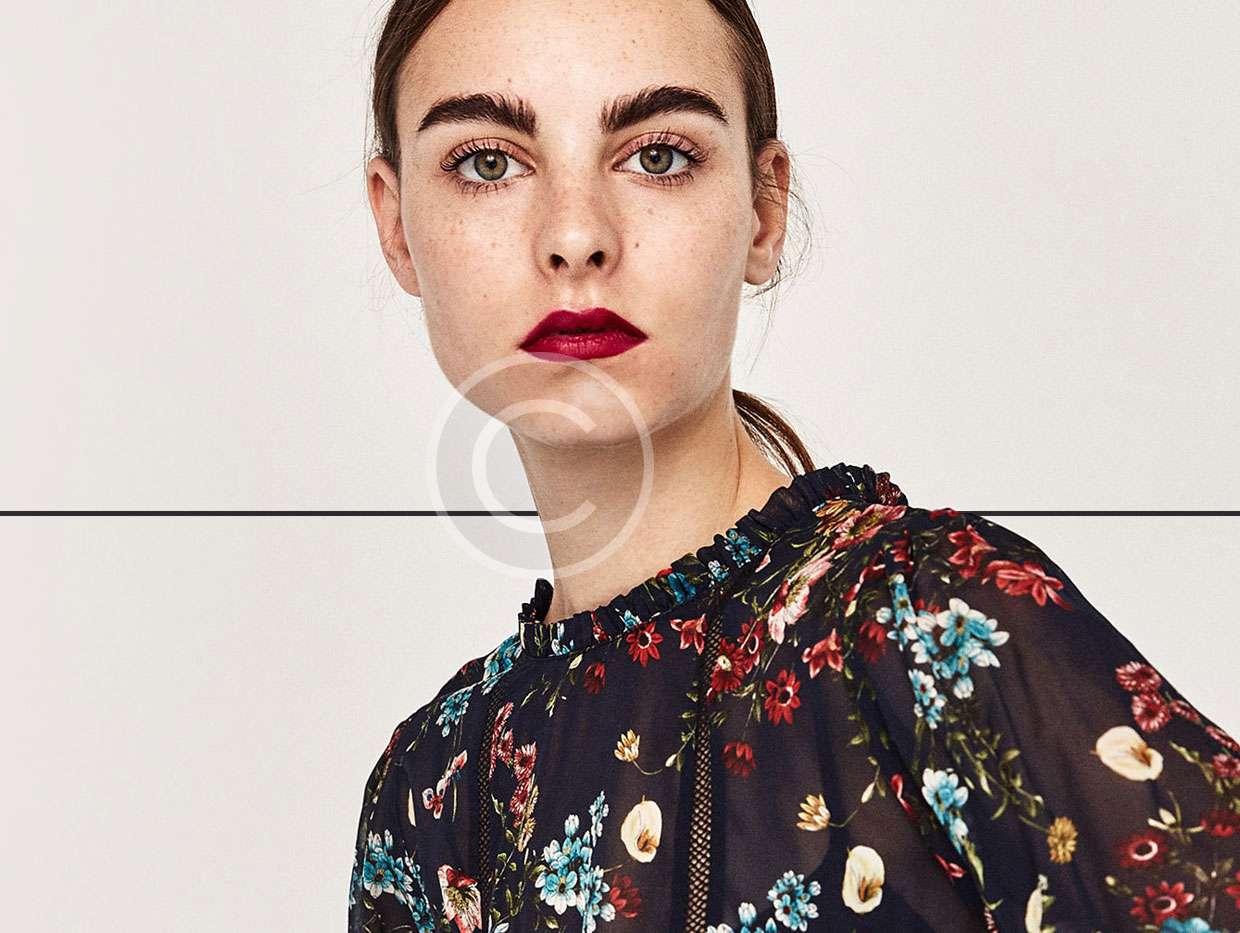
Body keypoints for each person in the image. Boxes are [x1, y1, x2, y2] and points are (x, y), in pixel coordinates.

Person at [348, 1, 1240, 930]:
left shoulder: (933, 626)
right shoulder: (428, 787)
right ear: (396, 224)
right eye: (488, 164)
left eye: (658, 155)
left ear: (764, 210)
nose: (576, 236)